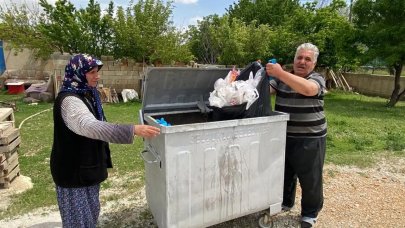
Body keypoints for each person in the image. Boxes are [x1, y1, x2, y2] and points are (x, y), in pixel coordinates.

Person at [50, 54, 160, 227]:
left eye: (97, 71)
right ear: (78, 73)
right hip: (73, 173)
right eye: (92, 72)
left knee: (90, 217)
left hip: (86, 170)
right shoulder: (70, 101)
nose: (97, 76)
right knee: (79, 223)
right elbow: (91, 127)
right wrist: (132, 130)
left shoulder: (86, 94)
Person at [266, 43, 327, 228]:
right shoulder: (281, 79)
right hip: (283, 135)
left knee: (310, 178)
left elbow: (308, 90)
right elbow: (267, 90)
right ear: (294, 60)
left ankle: (310, 214)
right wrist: (263, 75)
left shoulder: (317, 78)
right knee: (285, 173)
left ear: (314, 64)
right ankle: (286, 202)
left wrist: (280, 72)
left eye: (307, 59)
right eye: (299, 58)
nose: (302, 62)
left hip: (310, 137)